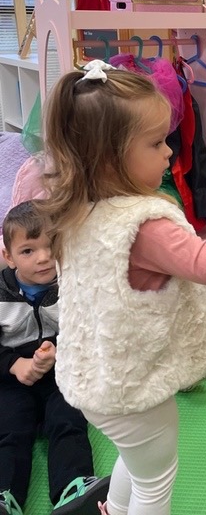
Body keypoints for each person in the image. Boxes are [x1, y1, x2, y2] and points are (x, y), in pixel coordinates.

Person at [35, 60, 206, 515]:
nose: (170, 153)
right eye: (156, 142)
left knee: (137, 462)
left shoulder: (76, 208)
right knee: (155, 481)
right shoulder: (144, 224)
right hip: (132, 386)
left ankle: (113, 509)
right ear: (109, 158)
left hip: (94, 375)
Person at [0, 201, 110, 515]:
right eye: (28, 251)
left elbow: (93, 331)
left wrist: (63, 352)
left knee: (68, 421)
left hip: (63, 374)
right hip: (13, 380)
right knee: (9, 428)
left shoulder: (73, 284)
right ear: (9, 256)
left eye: (51, 245)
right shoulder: (1, 292)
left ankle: (72, 489)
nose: (44, 257)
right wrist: (15, 365)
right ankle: (4, 495)